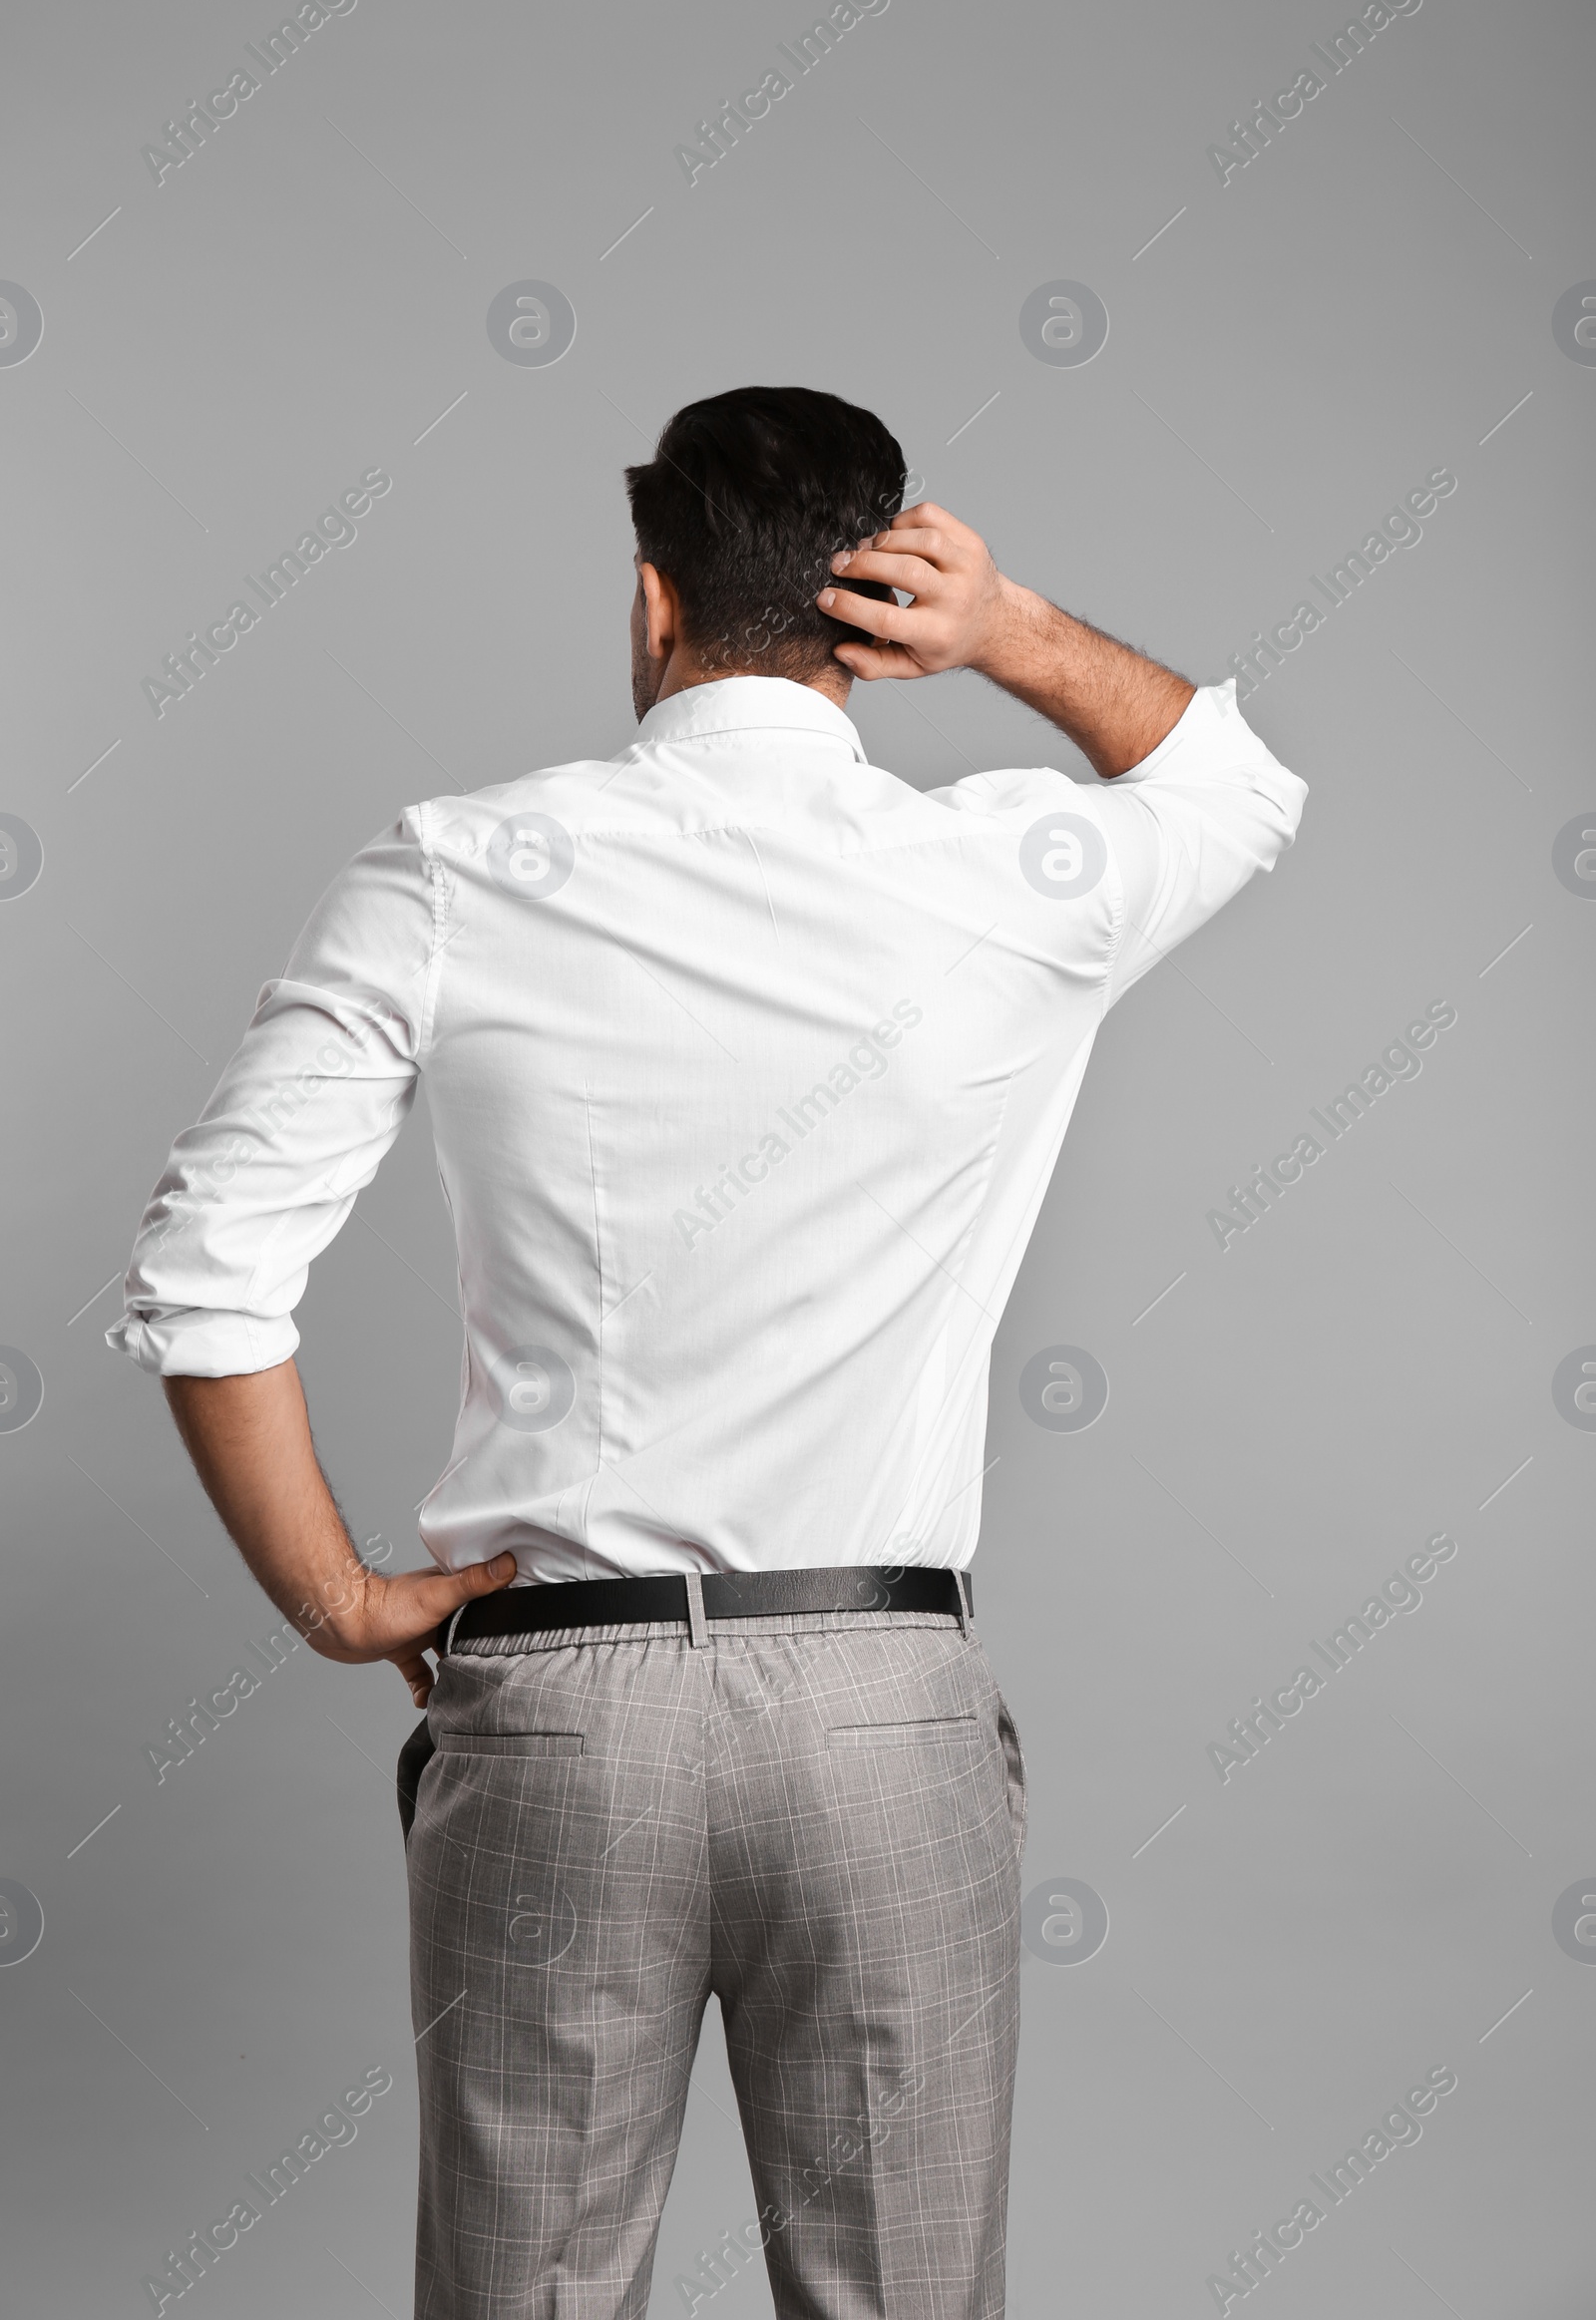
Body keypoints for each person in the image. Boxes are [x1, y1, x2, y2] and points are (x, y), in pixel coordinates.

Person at [108, 384, 1307, 2318]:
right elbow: (1237, 790)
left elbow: (204, 1274)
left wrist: (338, 1600)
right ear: (868, 618)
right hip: (880, 1710)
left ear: (651, 605)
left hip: (559, 1710)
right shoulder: (1009, 884)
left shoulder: (453, 868)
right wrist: (1007, 631)